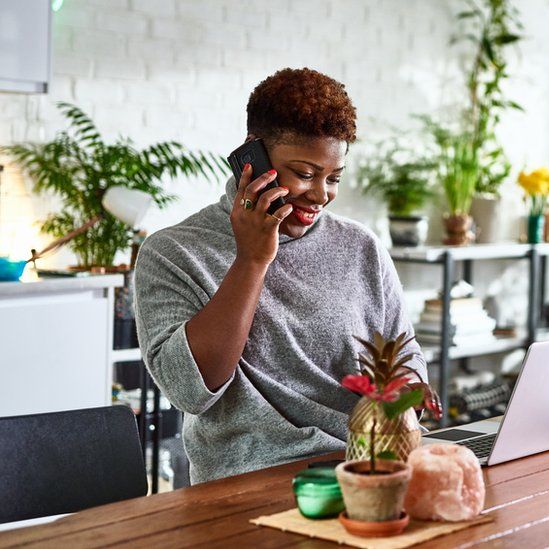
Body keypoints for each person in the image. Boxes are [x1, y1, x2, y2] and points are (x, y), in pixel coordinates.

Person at [134, 68, 427, 484]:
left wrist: (402, 402)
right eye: (305, 174)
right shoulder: (174, 252)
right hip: (252, 481)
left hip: (372, 464)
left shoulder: (359, 246)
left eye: (334, 177)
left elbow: (405, 351)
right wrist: (252, 260)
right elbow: (190, 391)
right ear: (253, 158)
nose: (322, 194)